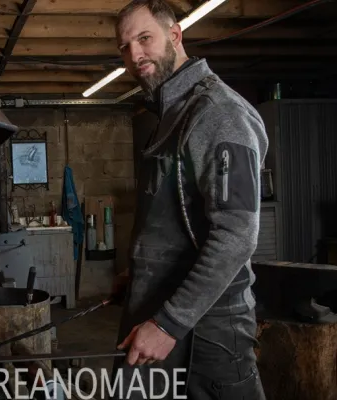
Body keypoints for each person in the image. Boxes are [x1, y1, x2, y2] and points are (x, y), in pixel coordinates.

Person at [109, 0, 268, 398]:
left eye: (145, 38)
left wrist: (167, 325)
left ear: (175, 35)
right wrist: (141, 272)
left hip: (207, 333)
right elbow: (178, 216)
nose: (134, 55)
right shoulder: (170, 113)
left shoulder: (217, 113)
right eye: (125, 46)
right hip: (160, 308)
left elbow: (235, 236)